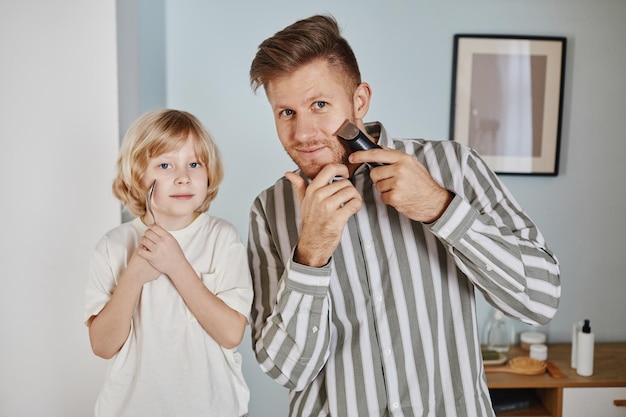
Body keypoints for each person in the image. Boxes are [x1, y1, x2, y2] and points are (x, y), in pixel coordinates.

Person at [246, 15, 560, 417]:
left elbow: (540, 300)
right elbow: (286, 370)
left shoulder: (454, 167)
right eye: (285, 113)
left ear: (359, 100)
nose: (303, 133)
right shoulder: (270, 210)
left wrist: (440, 208)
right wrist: (310, 254)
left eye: (319, 105)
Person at [84, 109, 253, 417]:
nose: (183, 176)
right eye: (165, 165)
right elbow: (103, 346)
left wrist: (176, 265)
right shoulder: (112, 246)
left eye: (194, 164)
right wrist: (133, 275)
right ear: (138, 176)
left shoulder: (222, 238)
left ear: (209, 173)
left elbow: (231, 334)